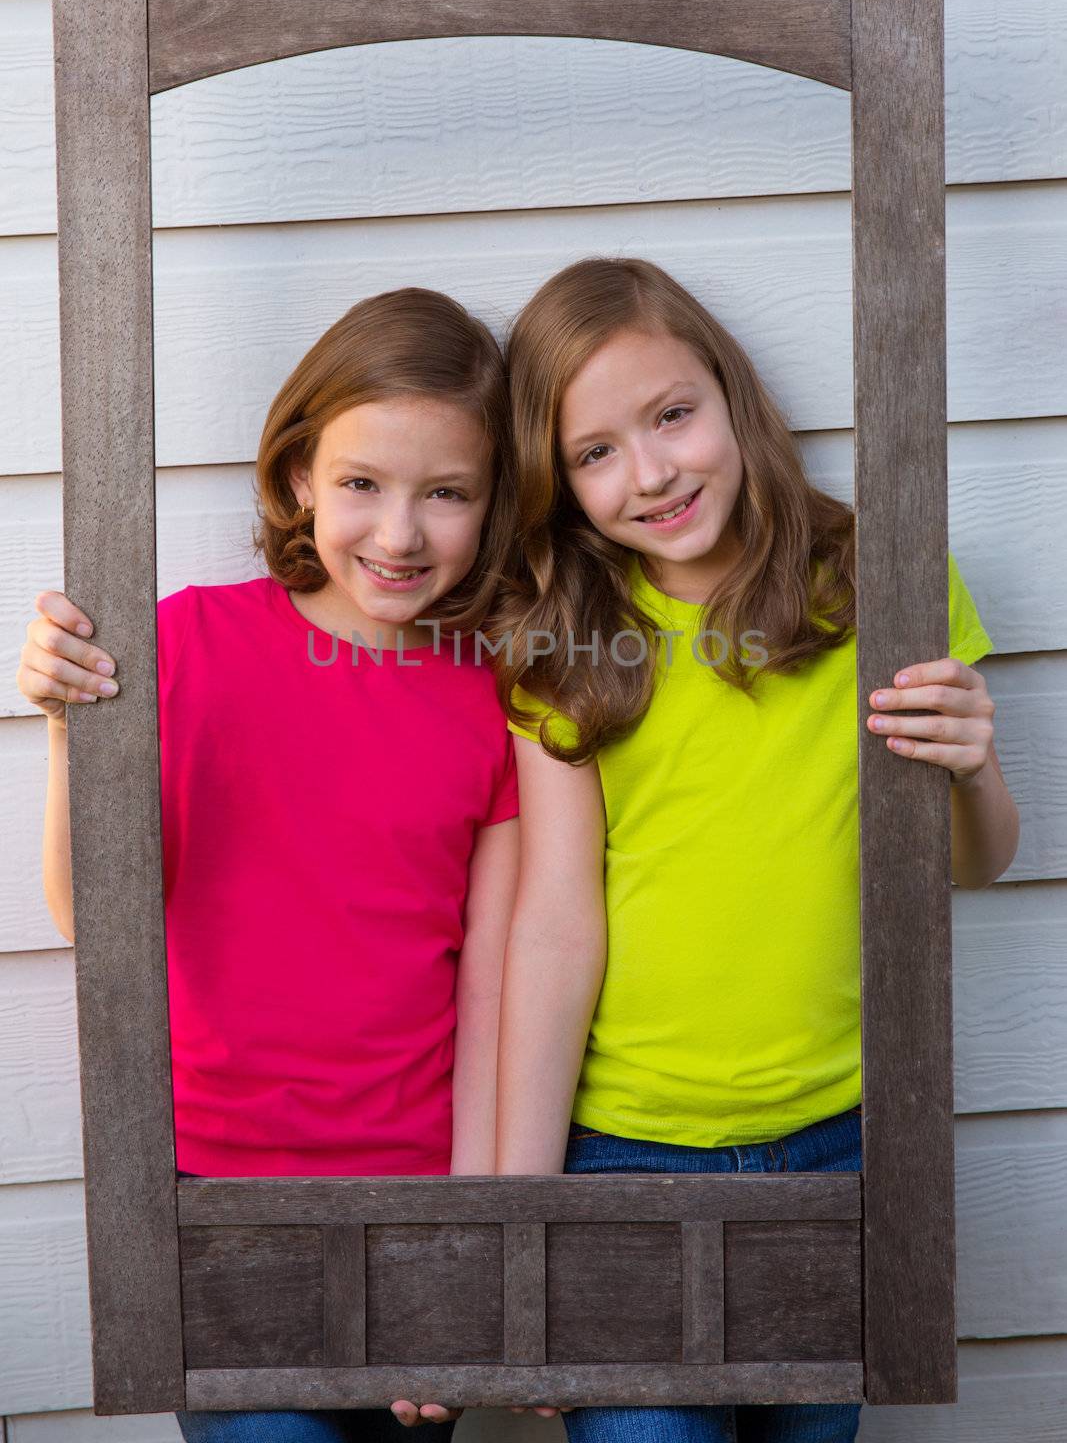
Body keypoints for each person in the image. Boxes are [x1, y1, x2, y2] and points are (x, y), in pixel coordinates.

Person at [493, 258, 1020, 1443]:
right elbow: (554, 920)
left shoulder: (877, 579)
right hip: (624, 1152)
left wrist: (971, 766)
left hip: (842, 1143)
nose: (652, 472)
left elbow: (973, 864)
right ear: (555, 480)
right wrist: (520, 1220)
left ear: (730, 397)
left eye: (671, 415)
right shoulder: (564, 638)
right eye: (595, 452)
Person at [17, 289, 522, 1441]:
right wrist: (64, 722)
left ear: (491, 507)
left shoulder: (496, 695)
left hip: (411, 1208)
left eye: (444, 493)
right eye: (361, 483)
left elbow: (496, 985)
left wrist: (470, 1235)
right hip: (210, 1198)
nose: (397, 534)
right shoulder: (185, 642)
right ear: (298, 474)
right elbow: (97, 916)